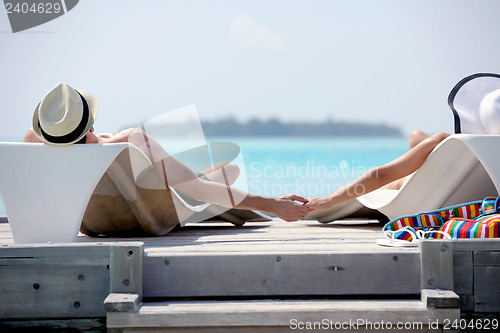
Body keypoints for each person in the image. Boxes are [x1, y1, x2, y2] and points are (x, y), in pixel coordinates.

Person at [24, 83, 310, 235]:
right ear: (92, 124)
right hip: (154, 220)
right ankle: (200, 175)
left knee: (205, 172)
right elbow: (197, 191)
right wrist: (270, 204)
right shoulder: (130, 139)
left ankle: (190, 172)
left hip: (93, 226)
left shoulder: (34, 144)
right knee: (229, 169)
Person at [306, 130, 450, 211]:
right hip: (450, 188)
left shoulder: (446, 140)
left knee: (395, 181)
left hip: (419, 200)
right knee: (416, 137)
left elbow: (382, 176)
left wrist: (331, 199)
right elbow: (415, 137)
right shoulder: (465, 146)